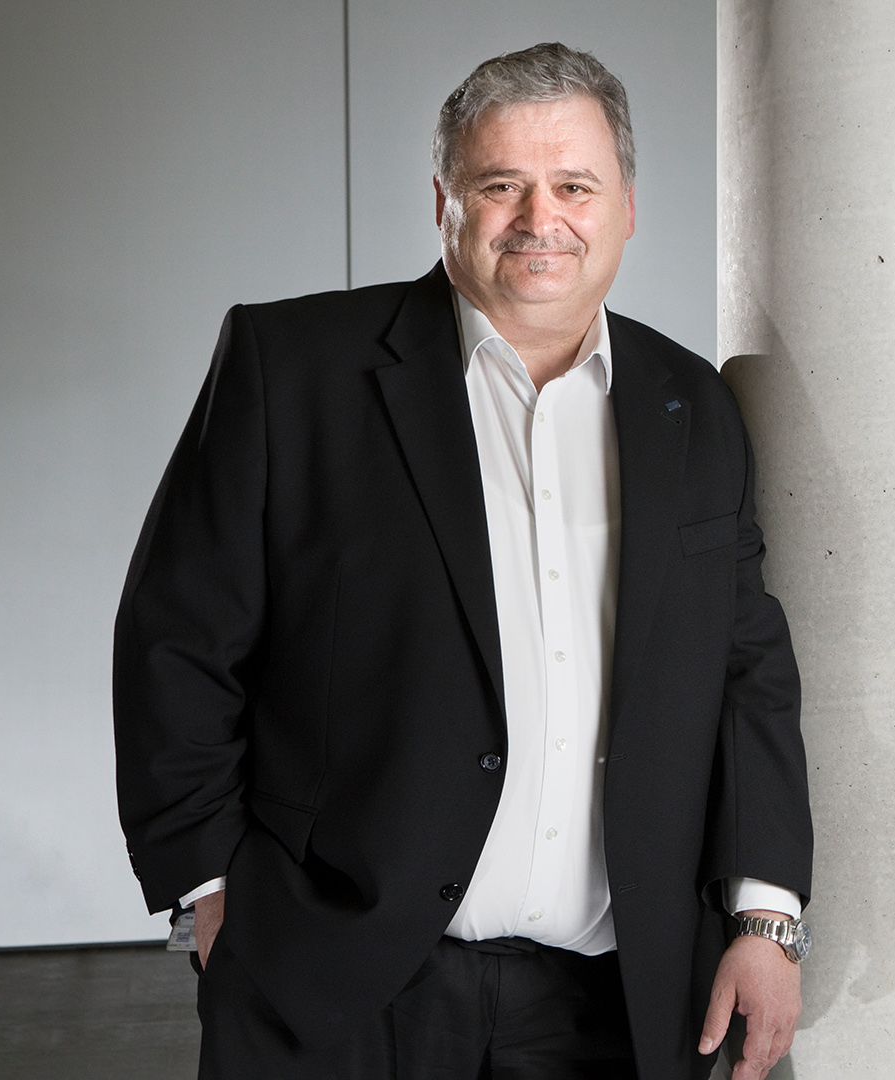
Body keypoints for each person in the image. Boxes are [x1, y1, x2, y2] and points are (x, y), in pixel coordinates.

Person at [114, 43, 811, 1080]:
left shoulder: (694, 405)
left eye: (574, 186)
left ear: (627, 207)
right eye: (500, 186)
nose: (540, 219)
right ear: (444, 202)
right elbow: (176, 639)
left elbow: (745, 668)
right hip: (335, 983)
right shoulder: (292, 369)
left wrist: (766, 916)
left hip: (612, 1004)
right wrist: (208, 890)